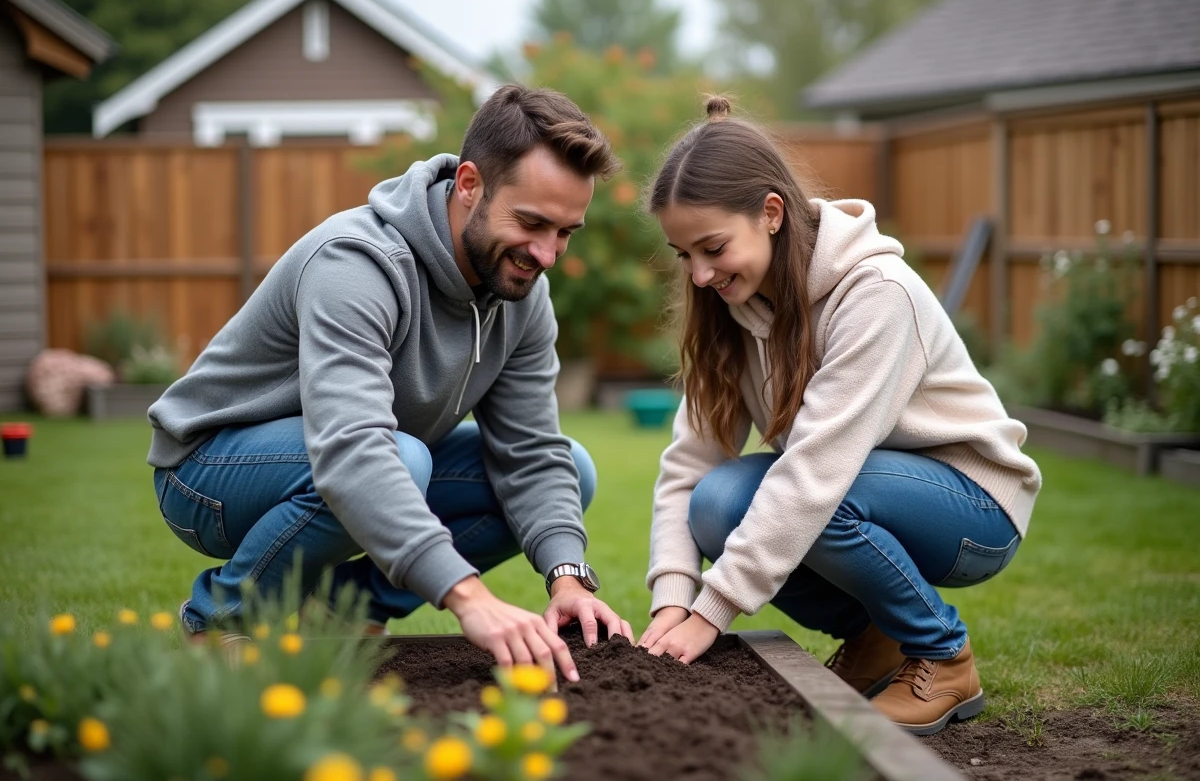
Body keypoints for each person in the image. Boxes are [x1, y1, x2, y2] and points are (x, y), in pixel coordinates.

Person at [147, 85, 633, 682]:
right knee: (398, 459)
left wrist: (568, 576)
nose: (548, 254)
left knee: (571, 467)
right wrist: (468, 597)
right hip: (206, 474)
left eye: (565, 232)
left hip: (361, 461)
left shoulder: (522, 294)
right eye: (532, 222)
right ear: (471, 185)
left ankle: (347, 610)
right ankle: (218, 621)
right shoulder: (356, 263)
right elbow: (352, 449)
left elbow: (531, 452)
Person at [635, 97, 1042, 735]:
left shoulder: (876, 294)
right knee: (717, 500)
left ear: (771, 213)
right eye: (684, 254)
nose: (700, 273)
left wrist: (712, 611)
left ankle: (944, 655)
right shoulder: (732, 311)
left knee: (811, 496)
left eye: (712, 247)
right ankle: (875, 638)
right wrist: (672, 597)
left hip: (974, 509)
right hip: (857, 490)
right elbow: (690, 464)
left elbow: (817, 474)